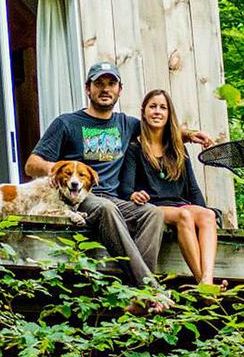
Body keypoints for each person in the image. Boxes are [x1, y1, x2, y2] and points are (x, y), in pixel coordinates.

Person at [24, 62, 213, 312]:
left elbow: (156, 127)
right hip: (80, 198)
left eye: (111, 84)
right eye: (99, 84)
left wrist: (188, 134)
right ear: (88, 89)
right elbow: (31, 164)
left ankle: (138, 296)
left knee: (153, 213)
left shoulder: (125, 124)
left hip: (115, 198)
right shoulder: (67, 123)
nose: (105, 89)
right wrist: (57, 169)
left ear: (119, 90)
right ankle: (149, 288)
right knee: (106, 209)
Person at [118, 89, 226, 289]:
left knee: (207, 215)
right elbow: (125, 188)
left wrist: (202, 211)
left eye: (163, 107)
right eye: (152, 106)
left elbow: (192, 188)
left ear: (169, 114)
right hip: (154, 207)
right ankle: (203, 284)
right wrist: (134, 195)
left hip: (180, 205)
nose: (157, 111)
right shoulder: (135, 148)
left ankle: (207, 280)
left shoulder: (177, 149)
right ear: (143, 112)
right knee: (184, 215)